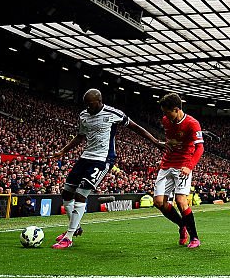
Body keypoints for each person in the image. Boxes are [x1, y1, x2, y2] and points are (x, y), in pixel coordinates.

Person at [51, 89, 164, 249]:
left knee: (81, 193)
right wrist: (63, 150)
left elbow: (136, 127)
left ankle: (69, 237)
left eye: (91, 104)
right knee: (67, 192)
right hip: (86, 157)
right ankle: (75, 227)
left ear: (99, 101)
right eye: (86, 105)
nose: (88, 108)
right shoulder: (83, 115)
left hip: (103, 159)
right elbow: (80, 136)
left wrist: (155, 141)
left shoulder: (113, 113)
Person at [153, 93, 204, 249]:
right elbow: (171, 140)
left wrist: (189, 166)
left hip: (183, 165)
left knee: (181, 201)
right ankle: (182, 226)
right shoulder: (166, 121)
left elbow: (200, 147)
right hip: (166, 164)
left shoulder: (192, 124)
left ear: (176, 109)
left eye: (167, 112)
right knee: (159, 202)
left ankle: (194, 237)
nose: (165, 116)